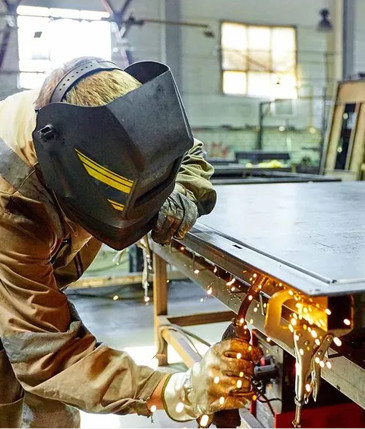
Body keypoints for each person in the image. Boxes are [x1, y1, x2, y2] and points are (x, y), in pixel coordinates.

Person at [0, 57, 261, 427]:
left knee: (53, 414)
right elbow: (49, 356)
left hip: (36, 271)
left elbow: (186, 150)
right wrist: (178, 391)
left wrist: (179, 192)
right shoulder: (12, 205)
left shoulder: (107, 121)